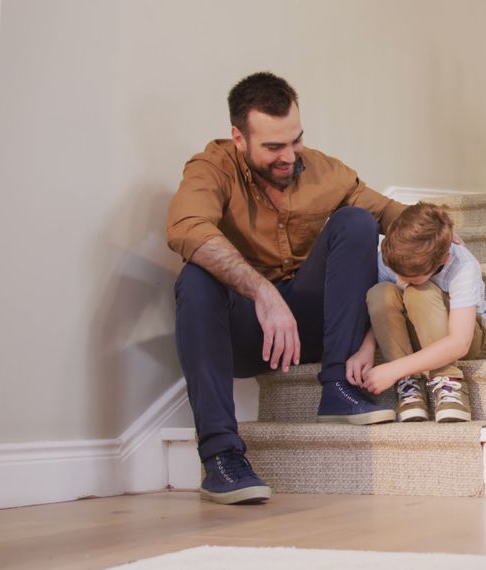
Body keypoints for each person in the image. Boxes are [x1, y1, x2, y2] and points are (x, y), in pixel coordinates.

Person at [167, 72, 405, 505]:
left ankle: (338, 388)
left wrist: (437, 234)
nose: (289, 156)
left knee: (357, 222)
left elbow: (390, 212)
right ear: (238, 137)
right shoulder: (211, 167)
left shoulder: (322, 170)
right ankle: (221, 456)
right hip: (248, 333)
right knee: (195, 278)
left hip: (315, 326)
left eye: (295, 141)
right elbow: (186, 227)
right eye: (273, 147)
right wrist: (262, 291)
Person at [360, 203, 486, 423]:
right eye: (397, 273)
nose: (401, 281)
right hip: (416, 331)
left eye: (409, 277)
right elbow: (385, 311)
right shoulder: (393, 256)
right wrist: (366, 347)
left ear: (443, 260)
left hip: (462, 337)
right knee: (380, 292)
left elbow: (460, 342)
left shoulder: (463, 266)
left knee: (418, 293)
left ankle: (448, 381)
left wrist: (393, 370)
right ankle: (410, 385)